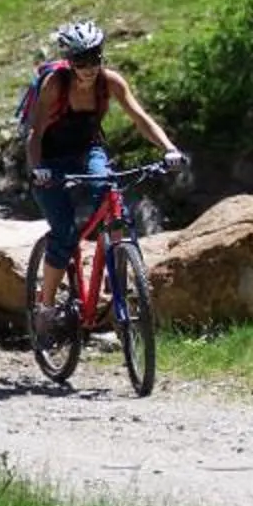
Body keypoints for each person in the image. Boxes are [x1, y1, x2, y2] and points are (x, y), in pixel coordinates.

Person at [26, 18, 189, 320]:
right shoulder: (55, 85)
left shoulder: (109, 82)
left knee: (110, 196)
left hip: (88, 151)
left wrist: (169, 149)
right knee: (63, 234)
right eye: (81, 60)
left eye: (95, 58)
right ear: (70, 60)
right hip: (49, 161)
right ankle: (46, 308)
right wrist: (38, 169)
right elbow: (35, 133)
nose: (89, 67)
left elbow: (140, 118)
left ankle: (121, 273)